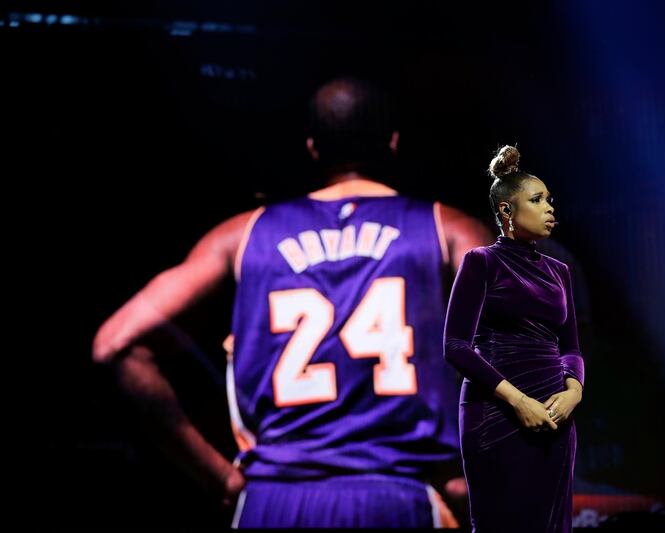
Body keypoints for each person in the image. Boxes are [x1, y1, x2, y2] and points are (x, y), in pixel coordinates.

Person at [92, 76, 494, 528]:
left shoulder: (240, 235)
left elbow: (115, 344)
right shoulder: (448, 229)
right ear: (393, 143)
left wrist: (215, 475)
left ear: (312, 148)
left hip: (272, 502)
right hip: (397, 495)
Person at [443, 145, 585, 532]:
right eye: (537, 200)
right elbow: (455, 346)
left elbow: (570, 347)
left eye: (549, 200)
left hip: (556, 416)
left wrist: (574, 392)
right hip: (497, 412)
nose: (549, 208)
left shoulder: (560, 272)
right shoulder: (481, 262)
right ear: (507, 211)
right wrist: (520, 402)